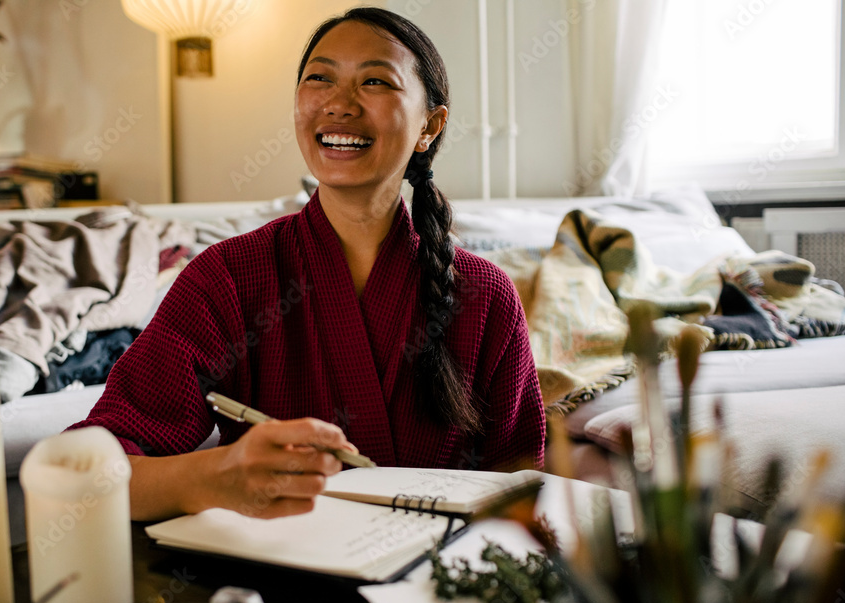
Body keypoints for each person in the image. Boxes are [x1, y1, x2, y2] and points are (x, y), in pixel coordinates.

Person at [69, 7, 545, 521]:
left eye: (375, 81)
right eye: (319, 78)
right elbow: (85, 472)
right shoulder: (225, 277)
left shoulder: (487, 295)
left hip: (437, 584)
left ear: (430, 125)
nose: (339, 104)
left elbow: (520, 492)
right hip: (270, 583)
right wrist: (214, 476)